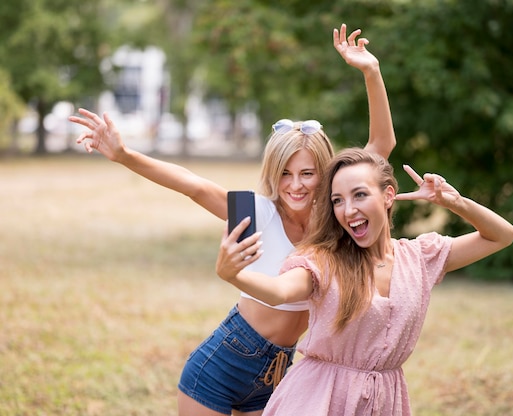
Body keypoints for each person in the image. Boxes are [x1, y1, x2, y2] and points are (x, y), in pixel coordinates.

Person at [69, 24, 396, 416]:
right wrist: (125, 155)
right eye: (284, 173)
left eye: (307, 174)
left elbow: (381, 147)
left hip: (278, 374)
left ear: (324, 174)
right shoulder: (256, 211)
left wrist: (371, 73)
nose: (294, 185)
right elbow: (193, 185)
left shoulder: (334, 221)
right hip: (220, 365)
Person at [217, 148, 513, 415]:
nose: (348, 210)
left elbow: (503, 236)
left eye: (359, 195)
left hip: (386, 401)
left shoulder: (420, 257)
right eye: (338, 200)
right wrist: (235, 275)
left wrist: (456, 203)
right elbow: (280, 291)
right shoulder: (324, 260)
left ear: (387, 196)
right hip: (318, 400)